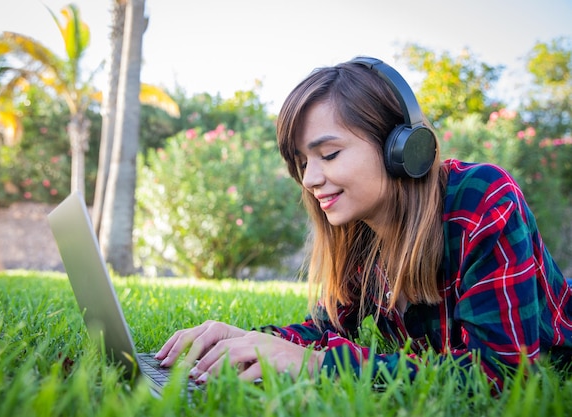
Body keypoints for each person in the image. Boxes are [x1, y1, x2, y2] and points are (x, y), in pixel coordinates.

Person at [155, 56, 572, 392]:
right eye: (302, 162)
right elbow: (324, 331)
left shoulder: (482, 198)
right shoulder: (358, 228)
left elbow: (501, 373)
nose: (309, 179)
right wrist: (241, 341)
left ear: (403, 147)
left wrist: (321, 365)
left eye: (329, 154)